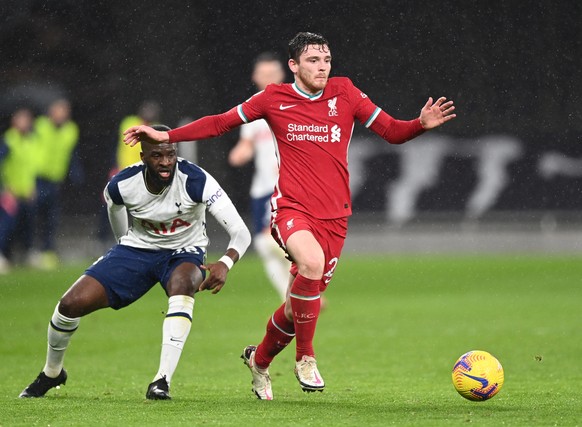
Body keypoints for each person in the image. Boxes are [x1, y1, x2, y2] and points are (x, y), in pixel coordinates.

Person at [124, 32, 456, 400]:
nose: (323, 66)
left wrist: (419, 124)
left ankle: (260, 361)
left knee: (297, 306)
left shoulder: (345, 92)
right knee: (310, 265)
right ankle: (306, 358)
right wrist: (166, 135)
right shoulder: (274, 98)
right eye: (313, 60)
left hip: (336, 215)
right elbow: (220, 123)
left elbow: (392, 131)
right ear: (294, 66)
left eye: (327, 59)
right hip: (292, 208)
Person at [19, 125, 251, 399]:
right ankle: (52, 372)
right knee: (69, 305)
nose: (165, 162)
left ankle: (161, 380)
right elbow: (114, 210)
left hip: (184, 252)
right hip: (137, 250)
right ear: (143, 157)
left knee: (183, 284)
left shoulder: (196, 180)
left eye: (170, 154)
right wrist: (123, 249)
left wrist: (225, 262)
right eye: (157, 156)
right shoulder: (121, 185)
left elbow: (240, 232)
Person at [228, 52, 290, 301]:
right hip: (262, 189)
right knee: (266, 247)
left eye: (273, 74)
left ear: (282, 74)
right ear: (256, 77)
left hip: (285, 187)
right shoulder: (252, 107)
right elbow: (247, 145)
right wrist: (239, 153)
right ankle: (294, 295)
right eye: (264, 74)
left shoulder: (293, 104)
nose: (269, 79)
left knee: (269, 242)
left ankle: (299, 289)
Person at [32, 98, 81, 269]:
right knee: (33, 215)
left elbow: (72, 154)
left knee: (51, 217)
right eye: (58, 110)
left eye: (64, 111)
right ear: (50, 111)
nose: (61, 114)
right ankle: (31, 250)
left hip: (55, 180)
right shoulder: (39, 126)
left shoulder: (71, 130)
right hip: (37, 178)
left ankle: (47, 251)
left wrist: (75, 173)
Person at [0, 108, 39, 272]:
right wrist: (5, 188)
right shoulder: (9, 140)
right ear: (14, 121)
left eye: (27, 119)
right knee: (6, 226)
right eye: (21, 119)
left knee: (27, 226)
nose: (24, 123)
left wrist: (32, 187)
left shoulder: (30, 141)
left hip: (26, 192)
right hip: (10, 193)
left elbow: (29, 168)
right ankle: (2, 255)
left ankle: (26, 254)